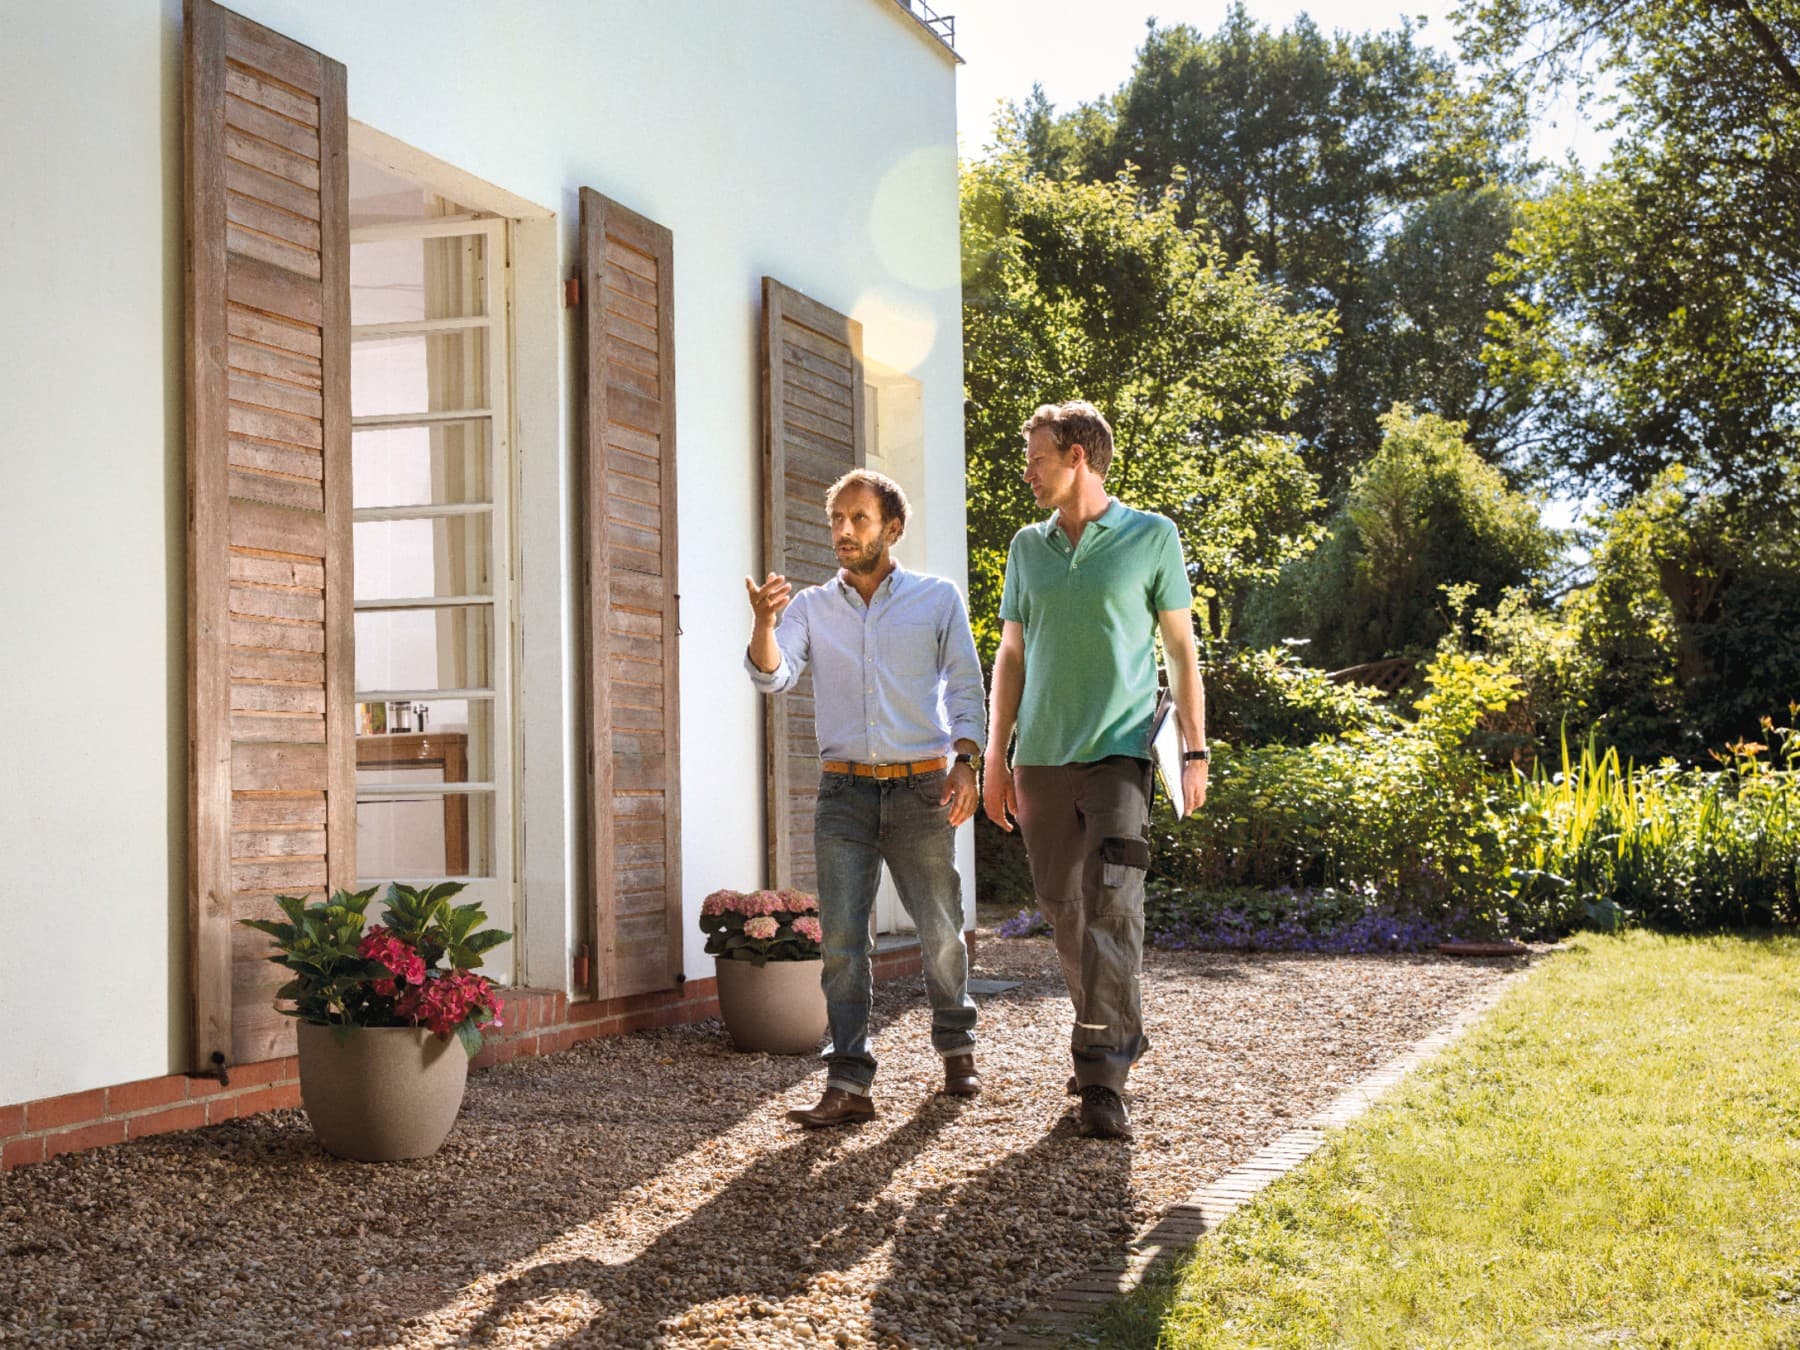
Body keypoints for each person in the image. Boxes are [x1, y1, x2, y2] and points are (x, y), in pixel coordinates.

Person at [982, 400, 1209, 1140]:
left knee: (1114, 905)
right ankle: (1116, 1032)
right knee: (1066, 911)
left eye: (1038, 458)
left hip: (1120, 752)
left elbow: (1180, 651)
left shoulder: (1151, 537)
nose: (1029, 473)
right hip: (1040, 757)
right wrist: (995, 755)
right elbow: (1011, 656)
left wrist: (1196, 747)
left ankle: (1101, 1074)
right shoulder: (1027, 546)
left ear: (1079, 455)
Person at [745, 468, 987, 1128]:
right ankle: (849, 1081)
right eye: (837, 520)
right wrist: (765, 625)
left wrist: (968, 763)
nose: (844, 531)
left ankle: (957, 1046)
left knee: (940, 929)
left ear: (892, 528)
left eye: (859, 519)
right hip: (844, 794)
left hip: (920, 789)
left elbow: (966, 687)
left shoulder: (937, 600)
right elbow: (775, 676)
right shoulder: (811, 608)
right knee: (845, 943)